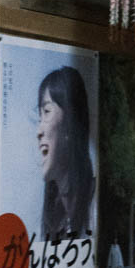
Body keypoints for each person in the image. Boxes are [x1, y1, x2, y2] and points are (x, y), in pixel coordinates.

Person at [36, 66, 95, 242]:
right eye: (38, 117)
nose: (38, 131)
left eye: (46, 112)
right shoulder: (53, 212)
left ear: (71, 122)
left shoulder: (94, 203)